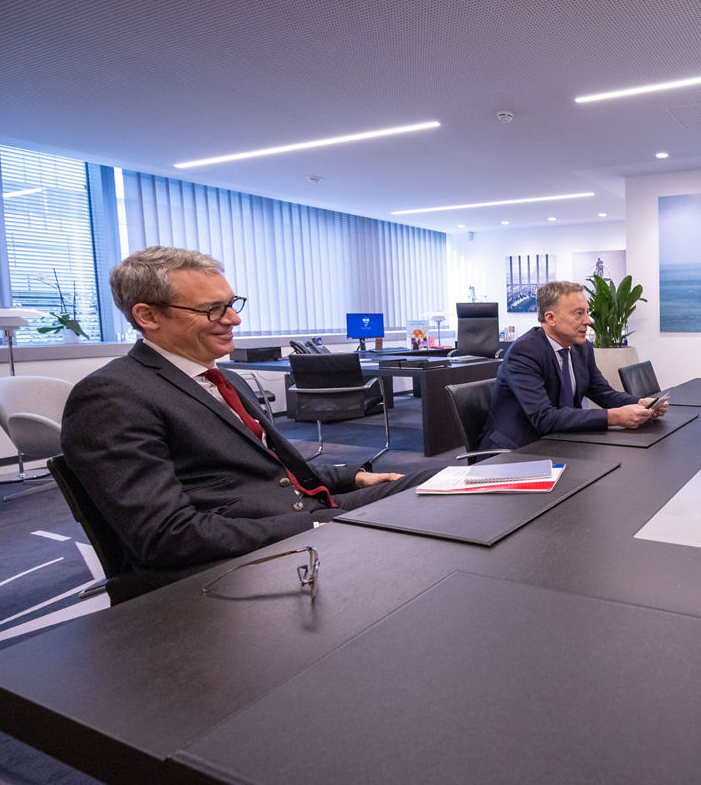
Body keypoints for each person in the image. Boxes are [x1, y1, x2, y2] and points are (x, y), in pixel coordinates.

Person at [61, 247, 435, 593]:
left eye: (232, 304)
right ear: (148, 315)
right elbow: (166, 537)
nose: (234, 319)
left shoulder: (224, 379)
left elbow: (266, 470)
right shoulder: (112, 396)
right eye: (212, 309)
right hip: (238, 560)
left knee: (440, 482)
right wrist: (317, 522)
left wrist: (349, 476)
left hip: (295, 519)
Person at [480, 280, 666, 450]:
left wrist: (639, 403)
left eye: (587, 312)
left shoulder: (582, 348)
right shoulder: (524, 352)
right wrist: (614, 416)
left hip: (561, 440)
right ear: (551, 318)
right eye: (578, 314)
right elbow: (544, 418)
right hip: (517, 450)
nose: (588, 321)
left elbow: (602, 393)